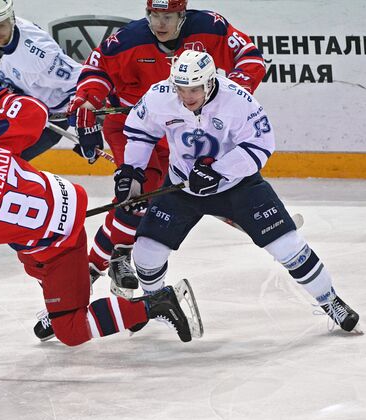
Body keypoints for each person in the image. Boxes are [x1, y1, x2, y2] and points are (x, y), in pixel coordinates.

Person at [0, 81, 203, 345]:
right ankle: (84, 303)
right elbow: (34, 112)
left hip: (55, 247)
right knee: (38, 270)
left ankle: (154, 305)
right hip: (64, 206)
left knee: (71, 329)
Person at [114, 49, 361, 333]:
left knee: (288, 246)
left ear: (209, 82)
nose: (187, 96)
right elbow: (139, 132)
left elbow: (261, 145)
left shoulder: (238, 101)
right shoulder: (161, 96)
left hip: (237, 186)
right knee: (146, 254)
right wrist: (131, 173)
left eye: (194, 88)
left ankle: (330, 300)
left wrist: (220, 170)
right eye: (181, 89)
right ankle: (156, 303)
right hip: (182, 186)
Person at [68, 0, 266, 296]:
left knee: (216, 166)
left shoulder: (210, 27)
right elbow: (96, 72)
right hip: (133, 126)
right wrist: (88, 101)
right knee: (137, 194)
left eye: (167, 16)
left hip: (181, 125)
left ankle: (227, 204)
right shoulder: (126, 41)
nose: (159, 23)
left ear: (182, 16)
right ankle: (116, 258)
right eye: (153, 15)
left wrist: (233, 92)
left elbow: (250, 57)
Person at [0, 0, 81, 161]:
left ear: (12, 19)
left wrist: (85, 126)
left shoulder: (40, 53)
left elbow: (81, 82)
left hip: (50, 117)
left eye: (1, 26)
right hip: (12, 108)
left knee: (4, 162)